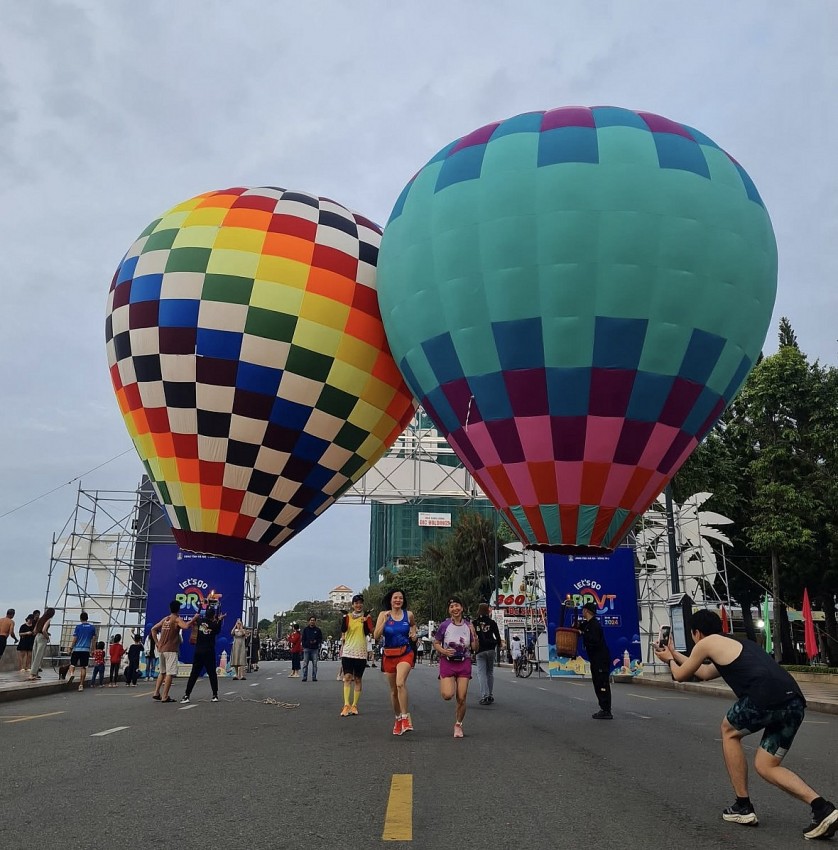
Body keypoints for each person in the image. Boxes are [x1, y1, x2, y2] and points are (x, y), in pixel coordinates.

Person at [655, 609, 837, 839]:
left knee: (728, 730)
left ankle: (743, 805)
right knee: (766, 765)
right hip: (794, 701)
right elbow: (702, 671)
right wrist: (673, 653)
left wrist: (669, 659)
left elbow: (680, 675)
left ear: (696, 633)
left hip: (764, 696)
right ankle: (822, 808)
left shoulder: (706, 642)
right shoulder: (735, 642)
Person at [433, 597, 479, 738]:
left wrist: (474, 634)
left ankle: (458, 724)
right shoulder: (444, 625)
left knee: (462, 697)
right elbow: (436, 642)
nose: (455, 609)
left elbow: (474, 648)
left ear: (462, 608)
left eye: (457, 605)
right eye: (452, 606)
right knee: (447, 695)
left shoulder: (468, 626)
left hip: (464, 662)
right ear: (449, 610)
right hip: (447, 662)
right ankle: (445, 679)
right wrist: (443, 651)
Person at [374, 588, 417, 735]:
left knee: (400, 683)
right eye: (395, 598)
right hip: (389, 654)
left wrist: (414, 633)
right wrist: (384, 621)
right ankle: (398, 718)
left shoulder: (408, 614)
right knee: (393, 692)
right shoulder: (383, 615)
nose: (398, 600)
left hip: (405, 652)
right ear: (390, 600)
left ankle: (405, 718)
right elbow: (376, 636)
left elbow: (413, 625)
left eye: (400, 598)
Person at [151, 600, 193, 703]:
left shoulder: (166, 619)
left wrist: (157, 642)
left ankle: (156, 692)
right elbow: (186, 626)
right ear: (178, 609)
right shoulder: (176, 619)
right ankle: (165, 696)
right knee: (170, 673)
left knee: (162, 672)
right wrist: (194, 619)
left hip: (161, 649)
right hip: (171, 649)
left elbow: (153, 629)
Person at [339, 595, 374, 716]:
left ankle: (354, 705)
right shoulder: (348, 616)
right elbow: (343, 629)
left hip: (360, 652)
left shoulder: (367, 617)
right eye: (356, 603)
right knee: (347, 677)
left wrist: (365, 620)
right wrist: (344, 617)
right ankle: (346, 705)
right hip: (348, 651)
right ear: (352, 605)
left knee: (358, 679)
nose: (358, 605)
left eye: (360, 603)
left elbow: (368, 631)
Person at [181, 606, 224, 703]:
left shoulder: (200, 621)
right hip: (209, 652)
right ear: (213, 616)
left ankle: (187, 695)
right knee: (212, 673)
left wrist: (198, 613)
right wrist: (220, 620)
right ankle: (215, 695)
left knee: (194, 674)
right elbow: (217, 629)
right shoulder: (214, 625)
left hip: (198, 651)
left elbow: (198, 617)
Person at [577, 602, 612, 719]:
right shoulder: (589, 624)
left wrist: (583, 634)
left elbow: (594, 641)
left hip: (600, 659)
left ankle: (606, 710)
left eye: (583, 610)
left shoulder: (594, 626)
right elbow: (581, 627)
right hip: (595, 659)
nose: (582, 612)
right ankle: (603, 708)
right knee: (597, 682)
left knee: (602, 683)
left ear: (586, 611)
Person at [473, 602, 502, 705]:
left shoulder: (475, 623)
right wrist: (499, 645)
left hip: (480, 650)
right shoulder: (492, 622)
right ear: (488, 611)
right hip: (491, 649)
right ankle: (490, 694)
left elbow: (473, 637)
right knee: (490, 672)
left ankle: (485, 696)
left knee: (481, 674)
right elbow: (498, 636)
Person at [67, 611, 97, 691]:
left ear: (80, 618)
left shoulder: (78, 627)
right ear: (87, 618)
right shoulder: (92, 627)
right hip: (86, 650)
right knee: (83, 667)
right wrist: (93, 650)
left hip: (77, 649)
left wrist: (70, 647)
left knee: (72, 664)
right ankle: (81, 685)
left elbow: (75, 638)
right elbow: (93, 640)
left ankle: (72, 674)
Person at [28, 608, 54, 681]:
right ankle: (32, 674)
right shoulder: (48, 620)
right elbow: (44, 630)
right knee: (39, 656)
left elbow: (35, 630)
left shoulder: (40, 619)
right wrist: (47, 637)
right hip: (42, 638)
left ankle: (35, 673)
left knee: (34, 655)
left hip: (37, 636)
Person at [300, 616, 323, 682]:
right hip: (307, 648)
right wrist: (305, 645)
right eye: (311, 620)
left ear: (315, 621)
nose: (312, 621)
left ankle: (314, 677)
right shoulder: (305, 629)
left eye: (313, 620)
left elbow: (320, 638)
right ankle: (304, 677)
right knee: (305, 664)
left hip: (314, 649)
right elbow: (303, 639)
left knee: (315, 664)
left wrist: (316, 642)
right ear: (309, 621)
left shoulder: (318, 630)